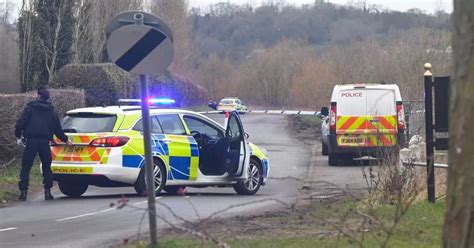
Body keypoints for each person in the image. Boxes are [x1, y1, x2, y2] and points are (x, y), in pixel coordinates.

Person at [15, 87, 70, 201]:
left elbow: (21, 122)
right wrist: (65, 139)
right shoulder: (51, 111)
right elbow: (57, 128)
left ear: (38, 96)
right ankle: (48, 192)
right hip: (45, 142)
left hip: (31, 141)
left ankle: (23, 192)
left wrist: (18, 135)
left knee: (26, 167)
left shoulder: (30, 108)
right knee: (46, 167)